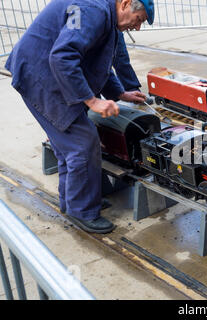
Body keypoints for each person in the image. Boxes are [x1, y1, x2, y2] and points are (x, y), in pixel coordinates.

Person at [5, 0, 155, 234]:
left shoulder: (107, 16)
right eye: (139, 20)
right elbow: (63, 56)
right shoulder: (93, 10)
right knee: (82, 143)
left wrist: (120, 93)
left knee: (70, 144)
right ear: (125, 4)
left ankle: (75, 201)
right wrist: (92, 101)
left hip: (50, 73)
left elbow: (98, 63)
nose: (136, 28)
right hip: (40, 77)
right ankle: (82, 211)